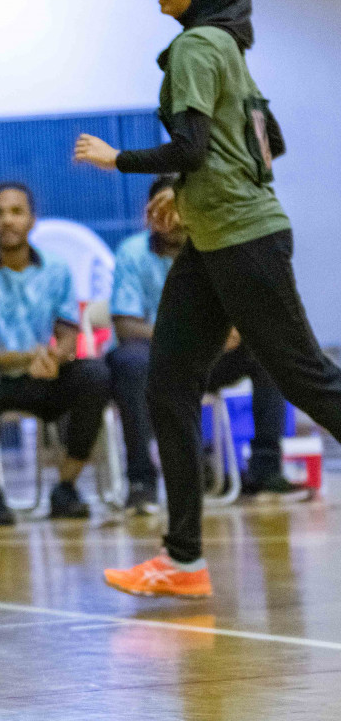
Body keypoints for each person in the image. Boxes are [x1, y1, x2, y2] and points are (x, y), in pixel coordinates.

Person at [75, 0, 341, 599]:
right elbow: (264, 142)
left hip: (244, 242)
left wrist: (120, 160)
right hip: (213, 239)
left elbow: (193, 147)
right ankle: (183, 558)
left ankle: (184, 554)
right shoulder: (227, 43)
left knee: (307, 378)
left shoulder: (199, 44)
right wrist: (186, 202)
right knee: (166, 382)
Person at [106, 177, 307, 516]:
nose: (171, 216)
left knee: (268, 347)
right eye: (161, 209)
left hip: (211, 361)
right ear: (148, 215)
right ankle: (142, 482)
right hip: (159, 362)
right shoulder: (132, 253)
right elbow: (125, 326)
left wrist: (236, 327)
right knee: (128, 361)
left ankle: (265, 470)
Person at [0, 183, 113, 526]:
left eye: (17, 211)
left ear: (32, 220)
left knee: (95, 374)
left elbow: (68, 329)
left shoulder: (56, 268)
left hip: (41, 375)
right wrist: (17, 359)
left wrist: (57, 356)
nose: (8, 220)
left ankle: (66, 488)